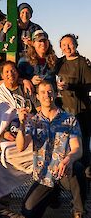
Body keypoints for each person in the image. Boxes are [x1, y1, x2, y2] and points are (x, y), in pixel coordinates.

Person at [16, 80, 86, 218]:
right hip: (44, 177)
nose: (47, 95)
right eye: (42, 92)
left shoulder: (69, 119)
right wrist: (22, 124)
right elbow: (20, 146)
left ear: (55, 94)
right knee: (27, 212)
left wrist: (68, 159)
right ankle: (53, 196)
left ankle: (79, 211)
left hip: (65, 172)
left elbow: (78, 149)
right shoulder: (33, 121)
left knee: (77, 168)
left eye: (50, 92)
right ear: (37, 96)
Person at [0, 61, 38, 199]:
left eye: (13, 71)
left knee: (39, 150)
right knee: (4, 155)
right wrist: (4, 133)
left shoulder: (26, 89)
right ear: (2, 75)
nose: (10, 74)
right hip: (5, 136)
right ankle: (0, 194)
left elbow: (38, 111)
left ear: (17, 73)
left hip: (28, 131)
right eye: (6, 72)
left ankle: (44, 185)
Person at [56, 34, 91, 173]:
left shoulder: (83, 62)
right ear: (60, 48)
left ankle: (87, 178)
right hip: (63, 110)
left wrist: (70, 86)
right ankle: (67, 178)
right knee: (65, 146)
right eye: (64, 45)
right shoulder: (58, 62)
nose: (67, 47)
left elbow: (89, 86)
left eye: (70, 44)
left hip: (81, 110)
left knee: (83, 146)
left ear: (76, 45)